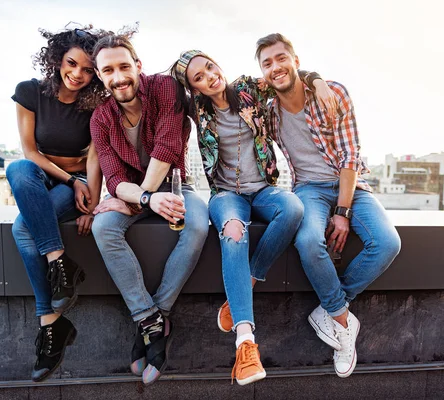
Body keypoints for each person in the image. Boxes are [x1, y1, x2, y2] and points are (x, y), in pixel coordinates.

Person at [170, 50, 336, 385]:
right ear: (194, 89)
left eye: (210, 68)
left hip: (263, 188)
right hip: (225, 195)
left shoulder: (248, 88)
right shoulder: (195, 109)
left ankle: (247, 282)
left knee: (293, 208)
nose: (209, 77)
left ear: (218, 65)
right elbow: (157, 93)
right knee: (233, 233)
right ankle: (246, 342)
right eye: (198, 78)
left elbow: (285, 76)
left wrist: (316, 79)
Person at [255, 33, 402, 378]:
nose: (275, 67)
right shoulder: (268, 111)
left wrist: (343, 212)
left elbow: (351, 155)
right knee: (308, 241)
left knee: (387, 243)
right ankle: (342, 321)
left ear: (295, 59)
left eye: (281, 58)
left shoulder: (331, 93)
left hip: (350, 185)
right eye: (267, 63)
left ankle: (331, 309)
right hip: (308, 189)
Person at [89, 34, 209, 386]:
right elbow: (112, 177)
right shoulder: (100, 118)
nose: (119, 76)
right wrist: (143, 199)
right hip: (134, 195)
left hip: (172, 185)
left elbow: (168, 145)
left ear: (138, 66)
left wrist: (145, 196)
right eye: (108, 70)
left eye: (124, 66)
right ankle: (150, 319)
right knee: (102, 228)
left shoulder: (166, 88)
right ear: (100, 76)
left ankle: (159, 314)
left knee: (197, 226)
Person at [6, 24, 109, 382]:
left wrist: (92, 200)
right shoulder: (29, 92)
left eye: (87, 69)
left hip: (76, 185)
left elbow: (93, 158)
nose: (78, 75)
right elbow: (30, 153)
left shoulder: (97, 104)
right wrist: (69, 171)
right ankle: (58, 261)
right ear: (57, 58)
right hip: (46, 178)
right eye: (72, 64)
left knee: (23, 227)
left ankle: (50, 322)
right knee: (17, 168)